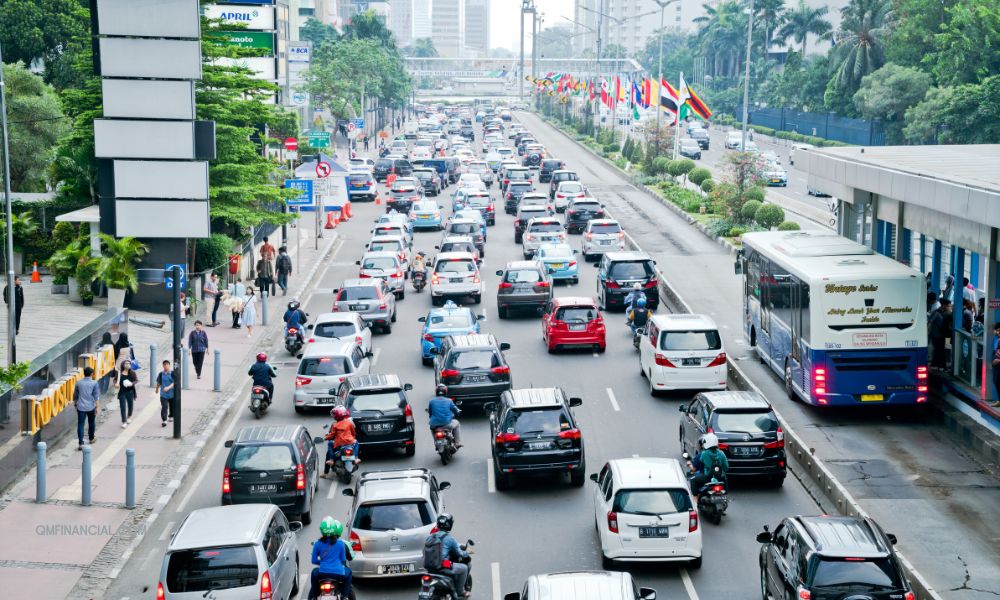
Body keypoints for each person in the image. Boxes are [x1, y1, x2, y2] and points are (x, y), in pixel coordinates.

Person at [424, 513, 470, 598]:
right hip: (442, 567)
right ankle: (460, 592)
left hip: (429, 567)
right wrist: (467, 553)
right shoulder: (449, 538)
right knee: (464, 568)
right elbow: (459, 553)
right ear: (449, 525)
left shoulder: (430, 537)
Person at [309, 517, 353, 600]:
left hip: (322, 574)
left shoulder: (317, 544)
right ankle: (345, 596)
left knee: (313, 572)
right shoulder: (340, 543)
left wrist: (323, 562)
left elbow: (313, 560)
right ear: (335, 529)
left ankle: (314, 596)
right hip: (338, 575)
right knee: (349, 572)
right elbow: (343, 560)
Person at [323, 406, 358, 477]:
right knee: (356, 443)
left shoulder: (335, 425)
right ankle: (356, 458)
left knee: (330, 444)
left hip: (340, 444)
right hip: (350, 443)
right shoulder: (350, 422)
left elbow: (332, 435)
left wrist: (325, 438)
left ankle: (329, 465)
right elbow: (354, 433)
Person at [74, 366, 100, 448]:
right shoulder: (94, 383)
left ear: (84, 373)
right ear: (92, 374)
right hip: (91, 407)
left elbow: (75, 396)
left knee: (80, 424)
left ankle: (81, 443)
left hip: (81, 407)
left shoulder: (78, 383)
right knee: (91, 423)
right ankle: (91, 438)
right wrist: (97, 407)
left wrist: (76, 405)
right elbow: (96, 397)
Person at [929, 299, 954, 369]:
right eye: (949, 306)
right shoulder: (937, 313)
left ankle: (942, 364)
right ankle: (941, 365)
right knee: (940, 350)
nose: (950, 307)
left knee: (945, 350)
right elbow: (930, 322)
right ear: (944, 305)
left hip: (946, 336)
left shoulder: (947, 313)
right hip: (938, 335)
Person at [117, 359, 138, 428]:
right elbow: (115, 380)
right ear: (123, 364)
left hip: (130, 391)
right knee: (122, 407)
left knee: (130, 405)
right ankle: (124, 421)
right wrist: (116, 384)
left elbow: (136, 380)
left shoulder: (132, 372)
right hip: (122, 392)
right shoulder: (119, 373)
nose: (128, 365)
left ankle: (129, 416)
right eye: (126, 363)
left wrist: (132, 384)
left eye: (129, 364)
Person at [154, 360, 175, 427]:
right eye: (164, 364)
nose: (166, 366)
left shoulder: (172, 373)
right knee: (164, 407)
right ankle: (164, 420)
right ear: (163, 366)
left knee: (172, 406)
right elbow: (159, 382)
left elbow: (174, 382)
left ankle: (171, 415)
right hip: (163, 394)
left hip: (172, 394)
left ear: (169, 365)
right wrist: (157, 389)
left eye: (167, 364)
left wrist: (168, 387)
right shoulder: (161, 374)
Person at [992, 323, 1000, 408]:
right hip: (996, 360)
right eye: (997, 330)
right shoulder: (996, 338)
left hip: (998, 361)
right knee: (996, 380)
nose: (998, 332)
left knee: (997, 381)